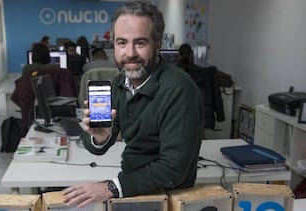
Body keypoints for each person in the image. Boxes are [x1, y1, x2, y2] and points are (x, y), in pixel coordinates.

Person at [62, 1, 204, 208]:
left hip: (166, 198)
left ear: (157, 43)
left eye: (140, 43)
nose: (130, 53)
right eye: (121, 43)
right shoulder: (120, 83)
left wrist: (109, 188)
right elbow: (97, 148)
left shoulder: (179, 89)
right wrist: (101, 137)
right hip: (134, 189)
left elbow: (173, 169)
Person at [177, 43, 225, 130]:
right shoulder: (206, 73)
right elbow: (217, 96)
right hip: (205, 119)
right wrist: (220, 116)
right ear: (191, 55)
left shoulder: (173, 75)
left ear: (179, 56)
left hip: (181, 119)